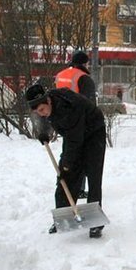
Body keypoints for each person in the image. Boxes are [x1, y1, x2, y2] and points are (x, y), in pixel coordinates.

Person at [25, 83, 107, 239]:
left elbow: (75, 143)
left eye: (42, 110)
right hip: (73, 134)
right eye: (37, 112)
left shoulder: (68, 108)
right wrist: (43, 132)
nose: (40, 114)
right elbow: (44, 116)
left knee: (93, 174)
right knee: (65, 177)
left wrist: (66, 166)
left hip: (93, 132)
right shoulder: (47, 106)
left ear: (48, 101)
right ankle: (63, 218)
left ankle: (95, 223)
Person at [55, 49, 97, 199]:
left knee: (67, 154)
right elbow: (89, 105)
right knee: (82, 156)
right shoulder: (84, 78)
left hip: (64, 123)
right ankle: (78, 188)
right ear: (85, 63)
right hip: (80, 123)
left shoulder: (60, 75)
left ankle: (63, 185)